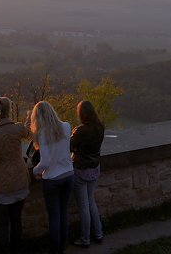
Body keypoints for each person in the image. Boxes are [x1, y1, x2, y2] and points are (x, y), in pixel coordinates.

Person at [0, 97, 30, 254]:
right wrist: (29, 117)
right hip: (20, 180)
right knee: (16, 221)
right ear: (9, 110)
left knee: (2, 224)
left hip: (1, 184)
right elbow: (29, 132)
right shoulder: (17, 128)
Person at [30, 101, 74, 254]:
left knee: (54, 217)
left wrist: (35, 171)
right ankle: (62, 248)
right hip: (69, 174)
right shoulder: (67, 126)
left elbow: (45, 162)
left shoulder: (42, 133)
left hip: (53, 179)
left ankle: (54, 251)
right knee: (63, 215)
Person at [69, 100, 105, 248]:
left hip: (81, 170)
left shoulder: (81, 130)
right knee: (91, 201)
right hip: (94, 168)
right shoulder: (100, 126)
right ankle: (98, 233)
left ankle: (84, 239)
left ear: (83, 114)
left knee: (83, 206)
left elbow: (68, 145)